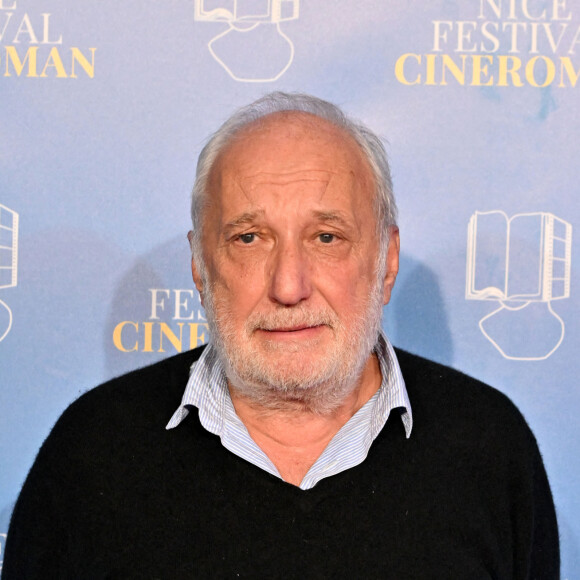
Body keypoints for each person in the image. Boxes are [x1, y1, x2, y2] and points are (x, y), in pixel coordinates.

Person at [3, 92, 559, 578]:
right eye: (249, 238)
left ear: (386, 262)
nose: (289, 286)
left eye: (326, 237)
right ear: (200, 266)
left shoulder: (490, 447)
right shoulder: (93, 453)